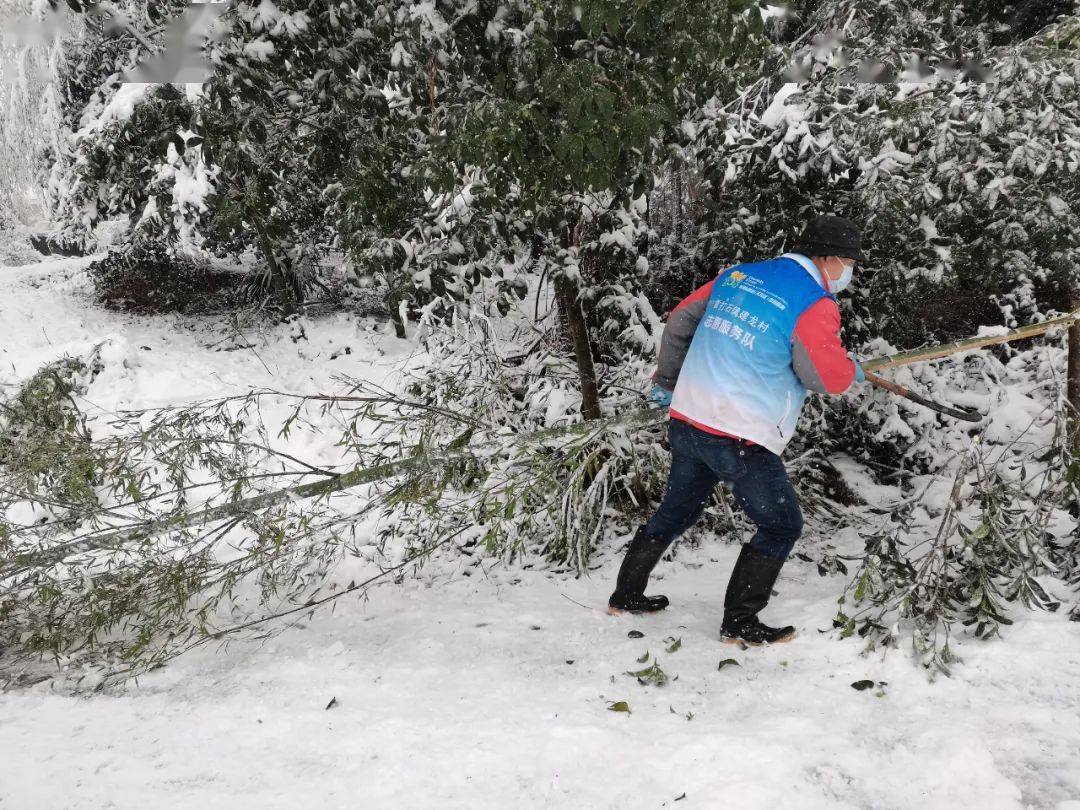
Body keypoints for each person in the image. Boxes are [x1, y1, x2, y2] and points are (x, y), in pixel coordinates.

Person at [607, 214, 867, 645]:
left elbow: (678, 321)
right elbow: (824, 377)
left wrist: (668, 383)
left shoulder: (738, 275)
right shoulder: (814, 302)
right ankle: (740, 623)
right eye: (848, 262)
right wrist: (849, 371)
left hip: (690, 418)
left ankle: (626, 594)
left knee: (679, 508)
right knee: (782, 524)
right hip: (738, 434)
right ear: (830, 259)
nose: (849, 272)